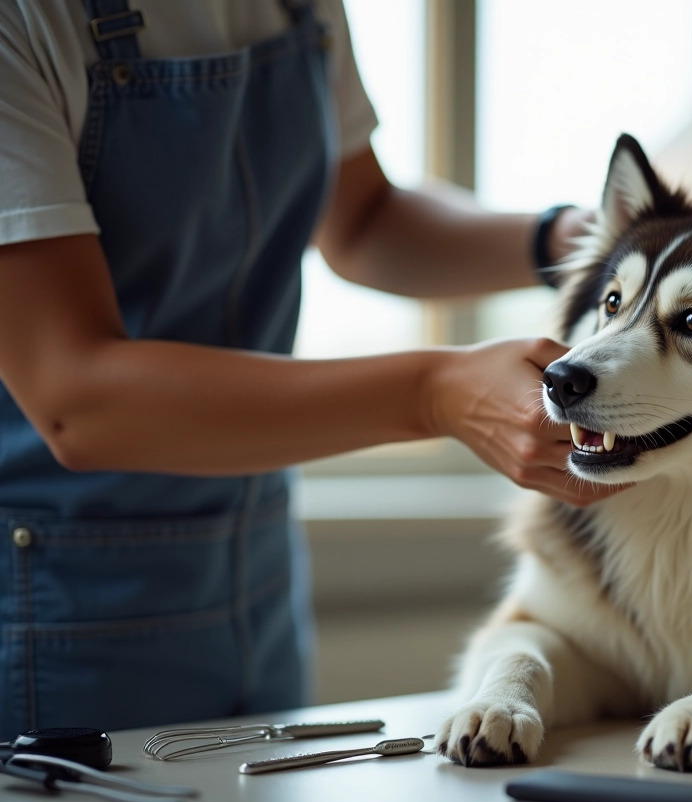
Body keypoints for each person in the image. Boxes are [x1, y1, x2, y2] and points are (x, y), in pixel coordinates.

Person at [0, 0, 615, 738]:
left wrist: (571, 241)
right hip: (56, 599)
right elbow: (77, 399)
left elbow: (363, 220)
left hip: (254, 567)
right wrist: (434, 393)